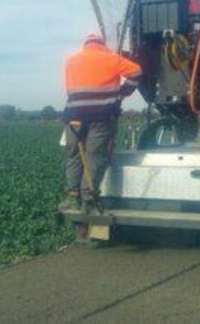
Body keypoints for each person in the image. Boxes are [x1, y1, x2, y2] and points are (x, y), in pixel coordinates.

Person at [61, 33, 142, 211]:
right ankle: (88, 198)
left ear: (86, 44)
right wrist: (122, 93)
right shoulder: (111, 58)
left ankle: (72, 197)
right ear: (102, 44)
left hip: (74, 116)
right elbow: (136, 71)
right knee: (95, 155)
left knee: (74, 154)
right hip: (102, 116)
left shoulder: (71, 60)